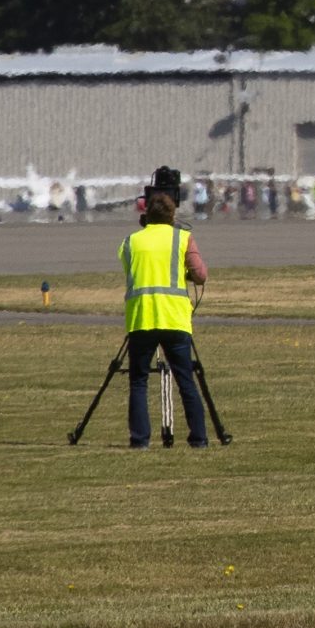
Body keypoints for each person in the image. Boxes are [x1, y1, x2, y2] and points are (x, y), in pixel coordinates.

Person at [120, 186, 209, 449]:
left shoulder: (131, 241)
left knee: (138, 381)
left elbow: (132, 270)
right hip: (174, 318)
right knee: (186, 380)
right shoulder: (182, 238)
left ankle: (140, 440)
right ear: (172, 214)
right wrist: (184, 273)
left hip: (141, 318)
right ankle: (199, 438)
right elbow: (201, 275)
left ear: (146, 213)